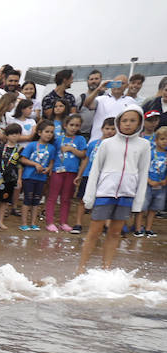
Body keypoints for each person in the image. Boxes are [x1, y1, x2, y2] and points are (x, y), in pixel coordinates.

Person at [76, 109, 151, 273]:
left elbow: (143, 171)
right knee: (94, 232)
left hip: (126, 194)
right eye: (124, 120)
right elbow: (95, 169)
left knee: (115, 233)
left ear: (139, 123)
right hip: (105, 193)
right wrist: (89, 196)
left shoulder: (144, 145)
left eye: (132, 121)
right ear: (119, 122)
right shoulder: (107, 143)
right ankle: (81, 268)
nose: (128, 124)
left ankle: (106, 268)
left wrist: (138, 202)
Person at [47, 115, 87, 232]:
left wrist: (71, 149)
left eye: (77, 125)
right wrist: (50, 168)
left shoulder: (80, 139)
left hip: (72, 172)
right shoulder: (58, 139)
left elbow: (83, 155)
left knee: (66, 198)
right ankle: (50, 222)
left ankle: (63, 222)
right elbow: (52, 155)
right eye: (71, 125)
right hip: (57, 171)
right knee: (52, 197)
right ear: (65, 125)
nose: (74, 128)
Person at [18, 121, 56, 231]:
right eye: (47, 131)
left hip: (41, 178)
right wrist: (35, 164)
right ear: (39, 132)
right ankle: (24, 223)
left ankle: (33, 223)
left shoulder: (52, 148)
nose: (49, 134)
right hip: (29, 176)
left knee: (36, 200)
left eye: (51, 132)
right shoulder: (32, 145)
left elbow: (52, 161)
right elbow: (23, 159)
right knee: (27, 199)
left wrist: (49, 168)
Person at [134, 126, 167, 237]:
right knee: (142, 207)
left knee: (153, 209)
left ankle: (148, 229)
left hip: (161, 186)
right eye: (162, 139)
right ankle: (138, 228)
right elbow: (142, 168)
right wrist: (148, 180)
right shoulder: (150, 153)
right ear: (156, 140)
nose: (165, 142)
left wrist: (165, 180)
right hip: (147, 184)